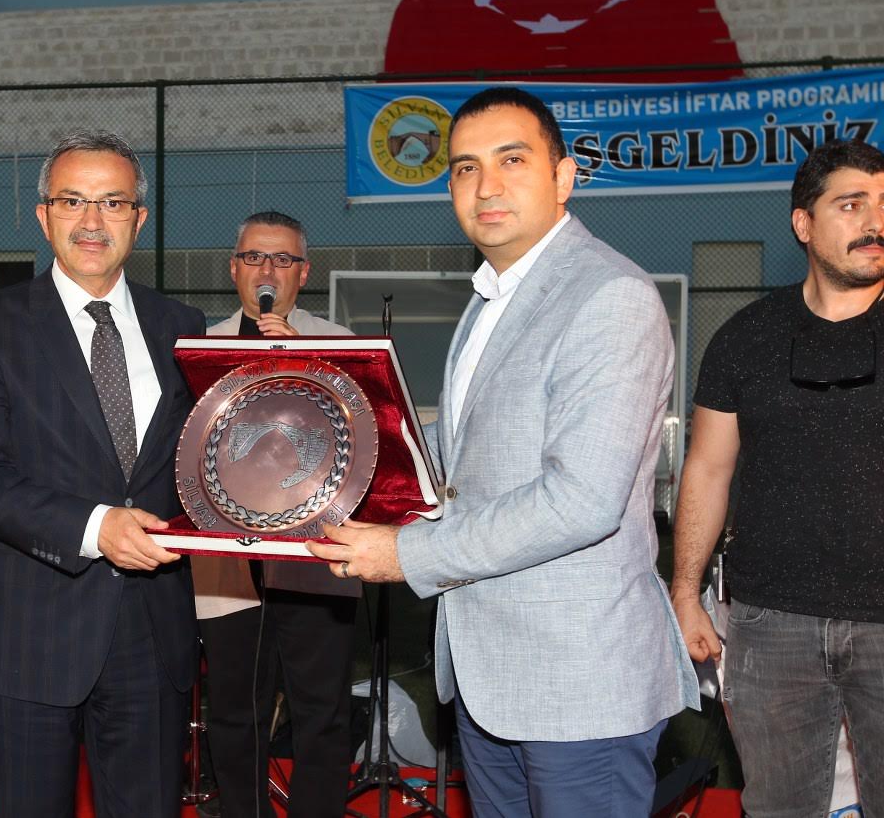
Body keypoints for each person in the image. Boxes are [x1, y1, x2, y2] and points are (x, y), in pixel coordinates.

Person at [308, 86, 698, 817]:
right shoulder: (493, 298)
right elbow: (465, 466)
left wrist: (406, 553)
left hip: (577, 684)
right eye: (464, 168)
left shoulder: (609, 295)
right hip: (490, 675)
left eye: (511, 160)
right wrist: (344, 483)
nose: (485, 185)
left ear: (563, 177)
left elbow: (582, 500)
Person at [0, 129, 206, 817]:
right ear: (43, 215)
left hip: (154, 635)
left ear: (139, 219)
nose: (92, 221)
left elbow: (200, 466)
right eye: (72, 200)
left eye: (112, 202)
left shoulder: (183, 325)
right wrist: (96, 527)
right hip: (31, 632)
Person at [670, 138, 884, 817]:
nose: (875, 222)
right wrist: (685, 591)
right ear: (803, 223)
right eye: (852, 205)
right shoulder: (745, 337)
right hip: (770, 625)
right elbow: (707, 469)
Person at [194, 211, 358, 818]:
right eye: (254, 257)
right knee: (235, 710)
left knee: (322, 710)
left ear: (303, 273)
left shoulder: (339, 344)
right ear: (234, 268)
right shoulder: (199, 346)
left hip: (315, 559)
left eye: (282, 259)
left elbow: (357, 447)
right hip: (226, 565)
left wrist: (298, 354)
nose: (267, 270)